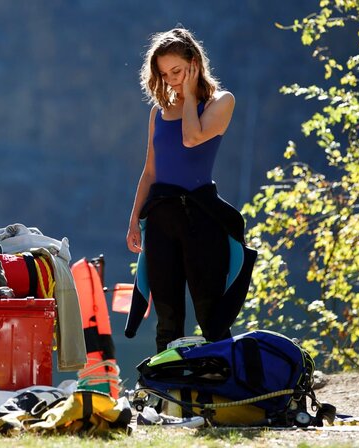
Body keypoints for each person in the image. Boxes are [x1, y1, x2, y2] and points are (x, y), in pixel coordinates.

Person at [123, 27, 256, 353]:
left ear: (194, 63)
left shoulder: (221, 102)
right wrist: (133, 221)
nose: (170, 80)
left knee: (210, 315)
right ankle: (169, 396)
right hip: (161, 218)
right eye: (164, 74)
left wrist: (191, 96)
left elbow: (191, 138)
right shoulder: (158, 112)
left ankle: (223, 389)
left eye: (178, 71)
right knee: (167, 316)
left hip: (201, 217)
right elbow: (151, 171)